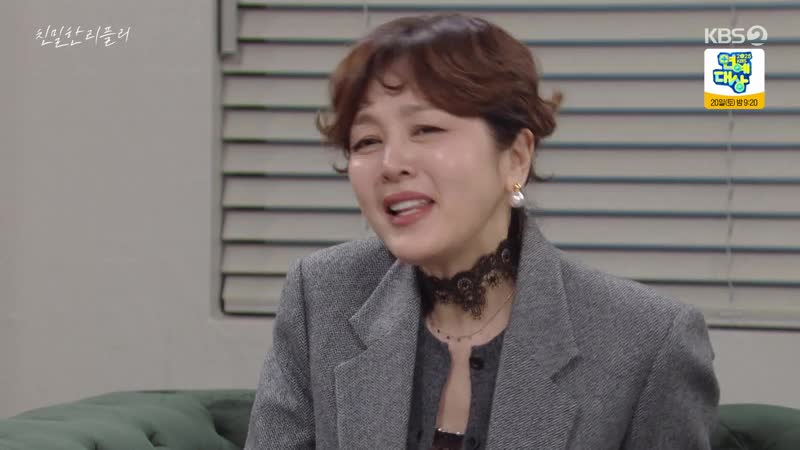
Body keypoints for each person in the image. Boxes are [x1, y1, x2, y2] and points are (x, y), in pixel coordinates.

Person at [245, 13, 719, 450]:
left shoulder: (647, 343)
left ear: (516, 157)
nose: (391, 164)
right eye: (367, 140)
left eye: (426, 129)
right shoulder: (321, 297)